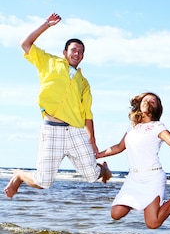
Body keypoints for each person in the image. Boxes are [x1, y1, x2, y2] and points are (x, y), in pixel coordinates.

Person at [4, 13, 112, 199]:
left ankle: (103, 169)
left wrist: (92, 140)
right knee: (43, 182)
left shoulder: (83, 82)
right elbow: (25, 43)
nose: (77, 54)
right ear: (65, 52)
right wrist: (47, 25)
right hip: (52, 129)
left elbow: (87, 113)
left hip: (75, 131)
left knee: (92, 176)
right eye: (74, 50)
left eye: (81, 52)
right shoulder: (49, 62)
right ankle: (19, 175)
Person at [96, 92, 170, 229]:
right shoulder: (132, 126)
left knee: (153, 223)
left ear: (156, 109)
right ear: (139, 104)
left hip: (152, 177)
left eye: (152, 102)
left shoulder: (158, 127)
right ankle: (108, 172)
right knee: (115, 214)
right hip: (134, 177)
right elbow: (119, 147)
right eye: (145, 100)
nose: (148, 102)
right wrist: (98, 155)